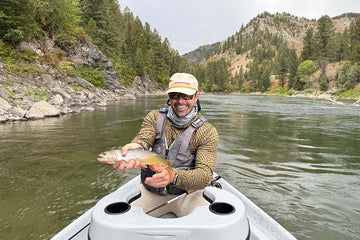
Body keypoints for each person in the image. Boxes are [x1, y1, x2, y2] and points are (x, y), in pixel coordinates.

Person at [113, 72, 219, 217]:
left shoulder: (207, 132)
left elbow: (205, 175)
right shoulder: (154, 117)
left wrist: (173, 176)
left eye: (186, 96)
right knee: (122, 220)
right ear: (169, 96)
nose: (180, 101)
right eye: (175, 95)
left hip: (189, 196)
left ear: (196, 97)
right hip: (151, 192)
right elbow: (143, 138)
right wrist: (137, 147)